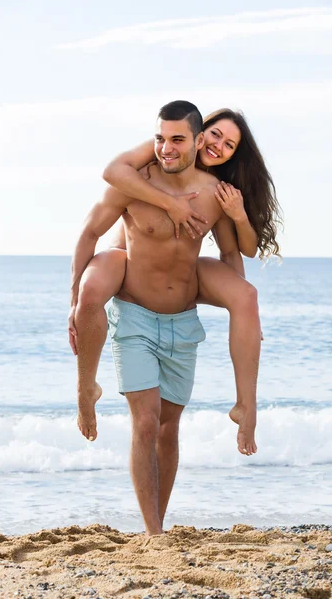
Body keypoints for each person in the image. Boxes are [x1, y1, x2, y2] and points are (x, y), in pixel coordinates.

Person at [70, 100, 257, 535]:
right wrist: (71, 300)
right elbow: (90, 230)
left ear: (194, 141)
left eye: (177, 140)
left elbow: (233, 253)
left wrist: (244, 318)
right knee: (147, 421)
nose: (167, 148)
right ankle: (153, 533)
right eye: (160, 139)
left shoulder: (215, 193)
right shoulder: (135, 181)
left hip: (182, 322)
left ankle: (160, 523)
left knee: (168, 430)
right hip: (134, 314)